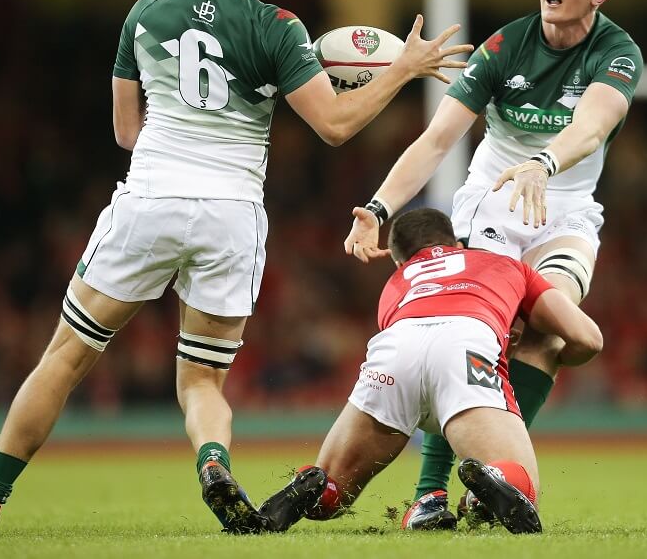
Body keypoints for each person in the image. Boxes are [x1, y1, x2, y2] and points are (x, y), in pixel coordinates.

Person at [0, 0, 472, 537]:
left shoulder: (145, 14)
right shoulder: (277, 27)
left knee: (65, 357)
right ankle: (213, 461)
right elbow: (334, 124)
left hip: (150, 199)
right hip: (231, 214)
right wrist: (401, 70)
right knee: (202, 381)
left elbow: (126, 132)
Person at [343, 0, 642, 528]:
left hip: (566, 208)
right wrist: (377, 209)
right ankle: (430, 497)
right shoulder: (506, 47)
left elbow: (591, 126)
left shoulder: (617, 53)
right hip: (493, 204)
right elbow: (437, 139)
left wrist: (545, 161)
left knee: (549, 334)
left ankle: (488, 483)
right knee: (476, 339)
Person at [257, 208, 603, 534]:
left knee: (332, 489)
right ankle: (491, 484)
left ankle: (317, 486)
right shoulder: (503, 264)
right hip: (466, 342)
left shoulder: (395, 283)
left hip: (394, 349)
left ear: (398, 259)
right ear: (457, 245)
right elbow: (588, 339)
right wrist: (554, 356)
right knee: (521, 488)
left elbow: (421, 356)